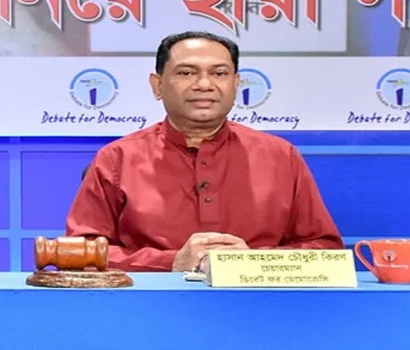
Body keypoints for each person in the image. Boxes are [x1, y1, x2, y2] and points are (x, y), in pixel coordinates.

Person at [65, 31, 342, 272]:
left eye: (219, 73)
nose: (204, 85)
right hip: (148, 313)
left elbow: (325, 250)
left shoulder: (281, 156)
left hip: (260, 313)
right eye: (186, 73)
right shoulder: (117, 159)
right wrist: (170, 262)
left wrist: (255, 263)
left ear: (236, 84)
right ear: (157, 85)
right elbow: (80, 253)